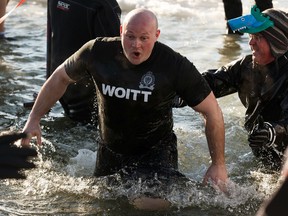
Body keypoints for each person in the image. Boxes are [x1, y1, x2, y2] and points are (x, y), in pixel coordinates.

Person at [21, 8, 228, 208]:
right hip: (111, 150)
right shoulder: (97, 52)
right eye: (130, 36)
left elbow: (211, 110)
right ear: (121, 32)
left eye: (144, 38)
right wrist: (34, 119)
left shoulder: (174, 65)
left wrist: (218, 164)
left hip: (156, 152)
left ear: (156, 36)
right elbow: (60, 77)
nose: (136, 45)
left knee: (145, 204)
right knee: (99, 204)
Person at [203, 6, 288, 168]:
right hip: (258, 149)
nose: (250, 42)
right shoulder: (246, 65)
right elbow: (210, 82)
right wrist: (179, 85)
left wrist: (273, 132)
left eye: (257, 37)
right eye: (250, 36)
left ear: (276, 42)